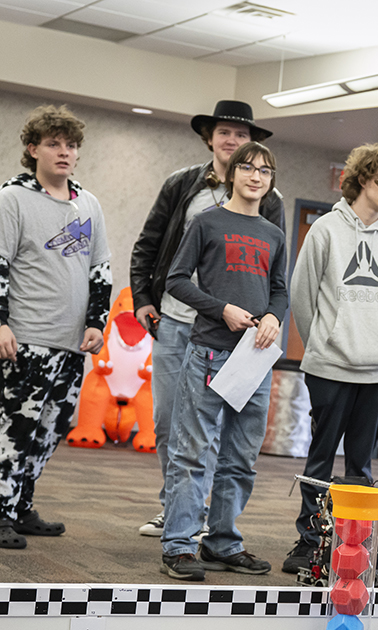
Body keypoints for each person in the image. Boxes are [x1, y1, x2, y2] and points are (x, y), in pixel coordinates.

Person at [129, 100, 283, 538]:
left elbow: (273, 270)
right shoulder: (183, 184)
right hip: (177, 320)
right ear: (211, 139)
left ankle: (209, 523)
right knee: (170, 422)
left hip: (239, 334)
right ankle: (176, 509)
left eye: (241, 135)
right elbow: (150, 244)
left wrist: (271, 315)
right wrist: (143, 296)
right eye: (224, 133)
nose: (232, 141)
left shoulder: (270, 201)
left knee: (225, 435)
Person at [159, 142, 289, 581]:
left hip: (253, 359)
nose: (256, 176)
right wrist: (221, 309)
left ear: (271, 182)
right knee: (193, 453)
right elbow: (175, 280)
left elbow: (280, 289)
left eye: (265, 171)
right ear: (232, 173)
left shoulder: (274, 234)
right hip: (209, 351)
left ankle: (222, 543)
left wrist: (273, 315)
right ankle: (179, 545)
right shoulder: (206, 222)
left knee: (240, 459)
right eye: (248, 168)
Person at [284, 143, 378, 573]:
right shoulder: (325, 230)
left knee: (362, 464)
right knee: (320, 460)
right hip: (330, 367)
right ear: (362, 179)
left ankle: (353, 547)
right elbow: (302, 298)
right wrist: (325, 342)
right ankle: (309, 543)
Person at [0, 105, 111, 550]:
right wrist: (1, 323)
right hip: (25, 337)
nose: (64, 152)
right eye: (53, 144)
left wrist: (96, 323)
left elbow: (99, 267)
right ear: (33, 149)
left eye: (71, 145)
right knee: (15, 428)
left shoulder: (89, 202)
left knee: (52, 426)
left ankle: (21, 505)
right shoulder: (13, 198)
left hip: (71, 344)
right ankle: (0, 510)